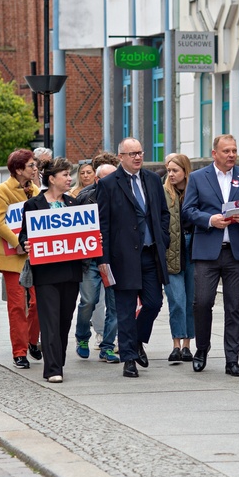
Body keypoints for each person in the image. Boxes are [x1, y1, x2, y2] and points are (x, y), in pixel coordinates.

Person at [182, 134, 239, 377]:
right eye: (226, 151)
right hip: (207, 251)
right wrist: (209, 220)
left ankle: (232, 359)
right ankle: (202, 350)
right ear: (214, 153)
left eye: (234, 151)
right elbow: (188, 210)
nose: (231, 155)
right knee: (203, 302)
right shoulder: (198, 178)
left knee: (234, 307)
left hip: (237, 253)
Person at [97, 138, 170, 378]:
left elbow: (162, 213)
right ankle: (129, 358)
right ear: (120, 157)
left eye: (140, 152)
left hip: (151, 254)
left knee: (153, 303)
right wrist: (104, 260)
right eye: (132, 154)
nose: (137, 157)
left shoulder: (152, 179)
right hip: (123, 257)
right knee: (125, 310)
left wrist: (163, 238)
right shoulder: (108, 184)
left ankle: (137, 340)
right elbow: (103, 225)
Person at [18, 158, 84, 383]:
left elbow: (83, 233)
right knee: (50, 320)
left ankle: (58, 358)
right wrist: (26, 243)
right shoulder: (33, 205)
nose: (69, 179)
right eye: (65, 175)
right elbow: (24, 235)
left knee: (65, 320)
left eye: (69, 174)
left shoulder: (74, 204)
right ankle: (53, 368)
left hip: (71, 271)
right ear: (52, 179)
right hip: (46, 273)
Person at [0, 149, 42, 369]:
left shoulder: (35, 189)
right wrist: (17, 242)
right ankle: (19, 351)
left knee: (38, 303)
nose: (35, 168)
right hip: (12, 256)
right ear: (18, 170)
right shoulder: (3, 190)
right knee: (17, 305)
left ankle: (31, 340)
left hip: (34, 255)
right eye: (31, 165)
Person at [74, 157, 120, 363]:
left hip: (115, 259)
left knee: (115, 305)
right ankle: (82, 337)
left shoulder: (124, 195)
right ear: (98, 180)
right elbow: (74, 229)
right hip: (90, 260)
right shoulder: (84, 197)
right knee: (89, 301)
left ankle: (108, 346)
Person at [162, 153, 195, 363]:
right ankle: (176, 343)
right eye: (169, 171)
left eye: (175, 170)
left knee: (192, 300)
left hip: (193, 250)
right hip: (170, 252)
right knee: (176, 300)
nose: (171, 174)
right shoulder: (163, 192)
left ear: (185, 171)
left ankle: (187, 345)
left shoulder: (195, 191)